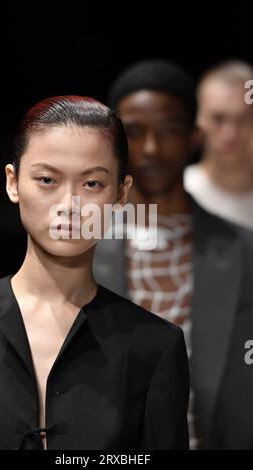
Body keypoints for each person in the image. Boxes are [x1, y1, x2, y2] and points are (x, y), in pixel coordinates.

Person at [0, 95, 189, 450]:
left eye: (91, 184)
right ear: (13, 183)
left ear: (121, 194)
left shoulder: (154, 348)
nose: (69, 206)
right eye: (47, 180)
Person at [93, 61, 253, 449]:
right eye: (134, 132)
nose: (151, 147)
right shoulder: (83, 245)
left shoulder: (243, 250)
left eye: (168, 130)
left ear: (194, 136)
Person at [184, 60, 253, 229]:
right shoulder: (178, 191)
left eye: (243, 118)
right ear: (198, 120)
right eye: (218, 118)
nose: (230, 134)